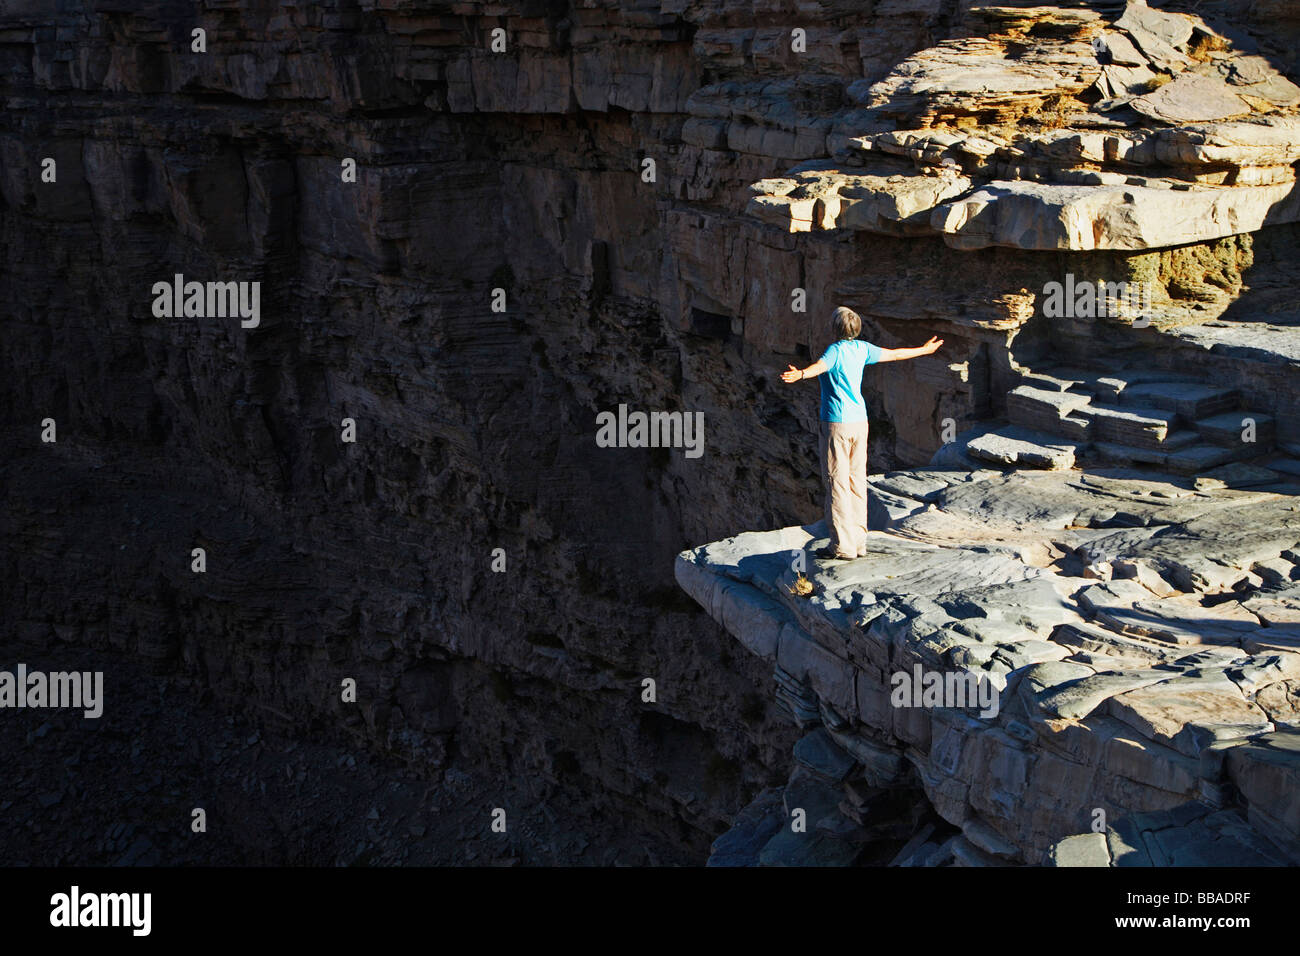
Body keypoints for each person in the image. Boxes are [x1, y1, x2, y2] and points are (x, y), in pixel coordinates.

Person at [780, 306, 943, 560]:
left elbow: (819, 368)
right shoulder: (863, 349)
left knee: (837, 483)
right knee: (857, 481)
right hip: (860, 422)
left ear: (835, 328)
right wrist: (924, 350)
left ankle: (841, 546)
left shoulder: (835, 350)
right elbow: (896, 355)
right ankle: (858, 542)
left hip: (837, 423)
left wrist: (800, 374)